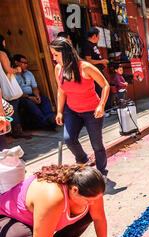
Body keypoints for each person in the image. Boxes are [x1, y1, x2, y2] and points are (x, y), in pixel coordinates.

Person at [50, 37, 110, 181]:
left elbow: (105, 85)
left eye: (56, 55)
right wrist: (59, 111)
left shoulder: (85, 67)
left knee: (97, 144)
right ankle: (83, 159)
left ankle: (102, 172)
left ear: (65, 53)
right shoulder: (58, 68)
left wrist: (101, 105)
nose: (54, 58)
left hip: (92, 111)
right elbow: (61, 90)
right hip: (72, 110)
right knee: (68, 139)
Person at [12, 54, 56, 131]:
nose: (26, 65)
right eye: (24, 63)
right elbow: (15, 92)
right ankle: (45, 123)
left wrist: (37, 96)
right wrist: (30, 98)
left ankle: (51, 118)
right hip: (21, 97)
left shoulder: (29, 73)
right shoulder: (13, 75)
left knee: (45, 99)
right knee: (30, 103)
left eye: (27, 63)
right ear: (16, 62)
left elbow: (34, 88)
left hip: (31, 95)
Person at [0, 35, 31, 139]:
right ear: (2, 42)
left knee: (5, 108)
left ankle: (8, 130)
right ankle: (17, 131)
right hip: (6, 84)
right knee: (12, 107)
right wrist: (17, 70)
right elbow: (8, 70)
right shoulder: (2, 53)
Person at [82, 27, 112, 115]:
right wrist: (101, 61)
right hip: (94, 72)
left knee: (105, 87)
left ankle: (108, 108)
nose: (99, 38)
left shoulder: (93, 45)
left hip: (99, 70)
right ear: (94, 36)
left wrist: (102, 62)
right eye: (98, 36)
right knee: (100, 89)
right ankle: (103, 109)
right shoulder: (87, 45)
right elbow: (88, 60)